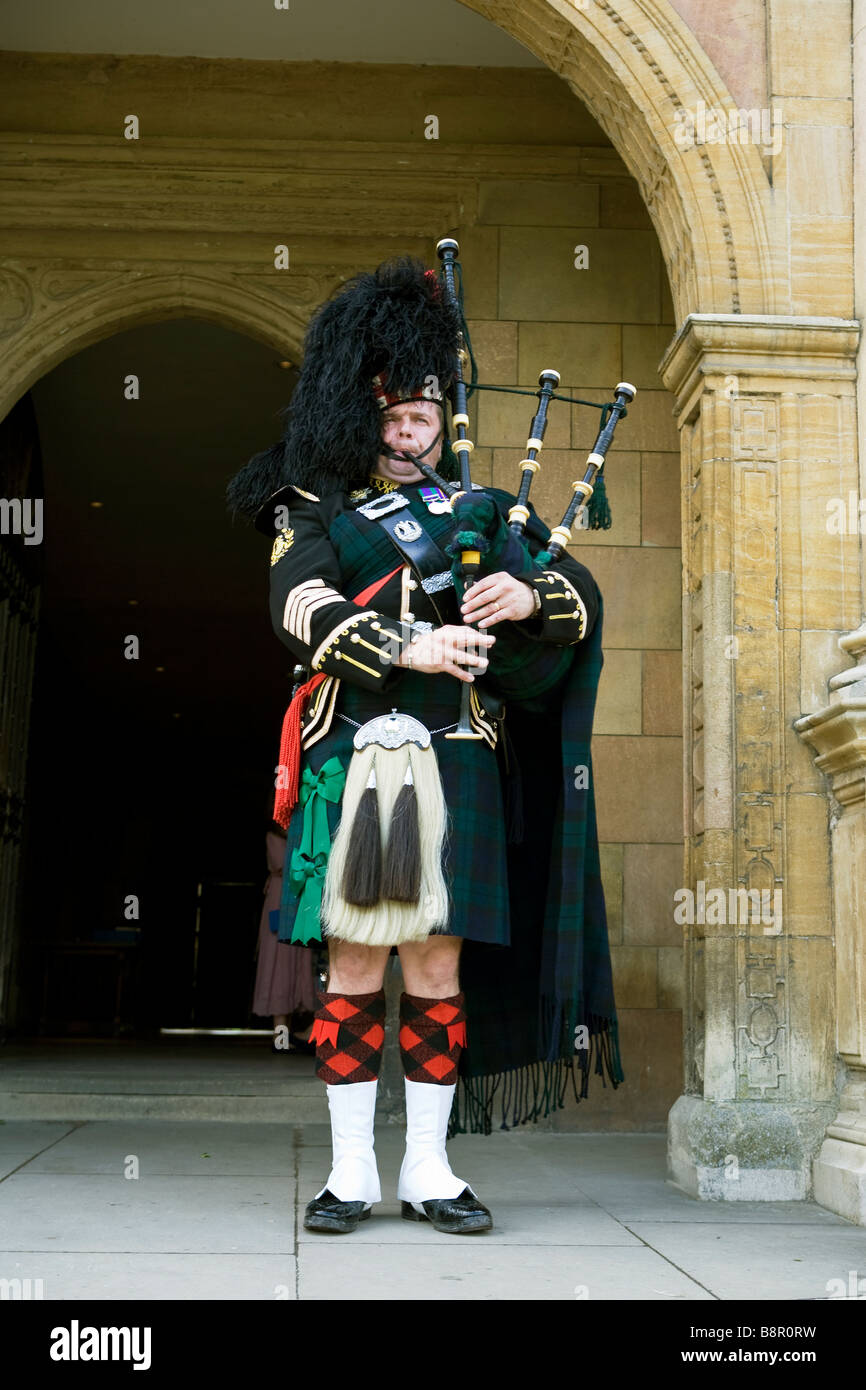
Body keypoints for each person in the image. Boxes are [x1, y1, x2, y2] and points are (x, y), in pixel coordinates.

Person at [227, 256, 623, 1236]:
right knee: (357, 964)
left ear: (442, 418)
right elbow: (297, 605)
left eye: (421, 417)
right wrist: (411, 643)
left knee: (437, 970)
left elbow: (578, 600)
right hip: (358, 756)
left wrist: (526, 595)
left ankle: (430, 1169)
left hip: (457, 758)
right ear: (360, 416)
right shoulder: (312, 505)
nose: (409, 435)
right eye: (394, 418)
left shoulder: (483, 511)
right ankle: (349, 1172)